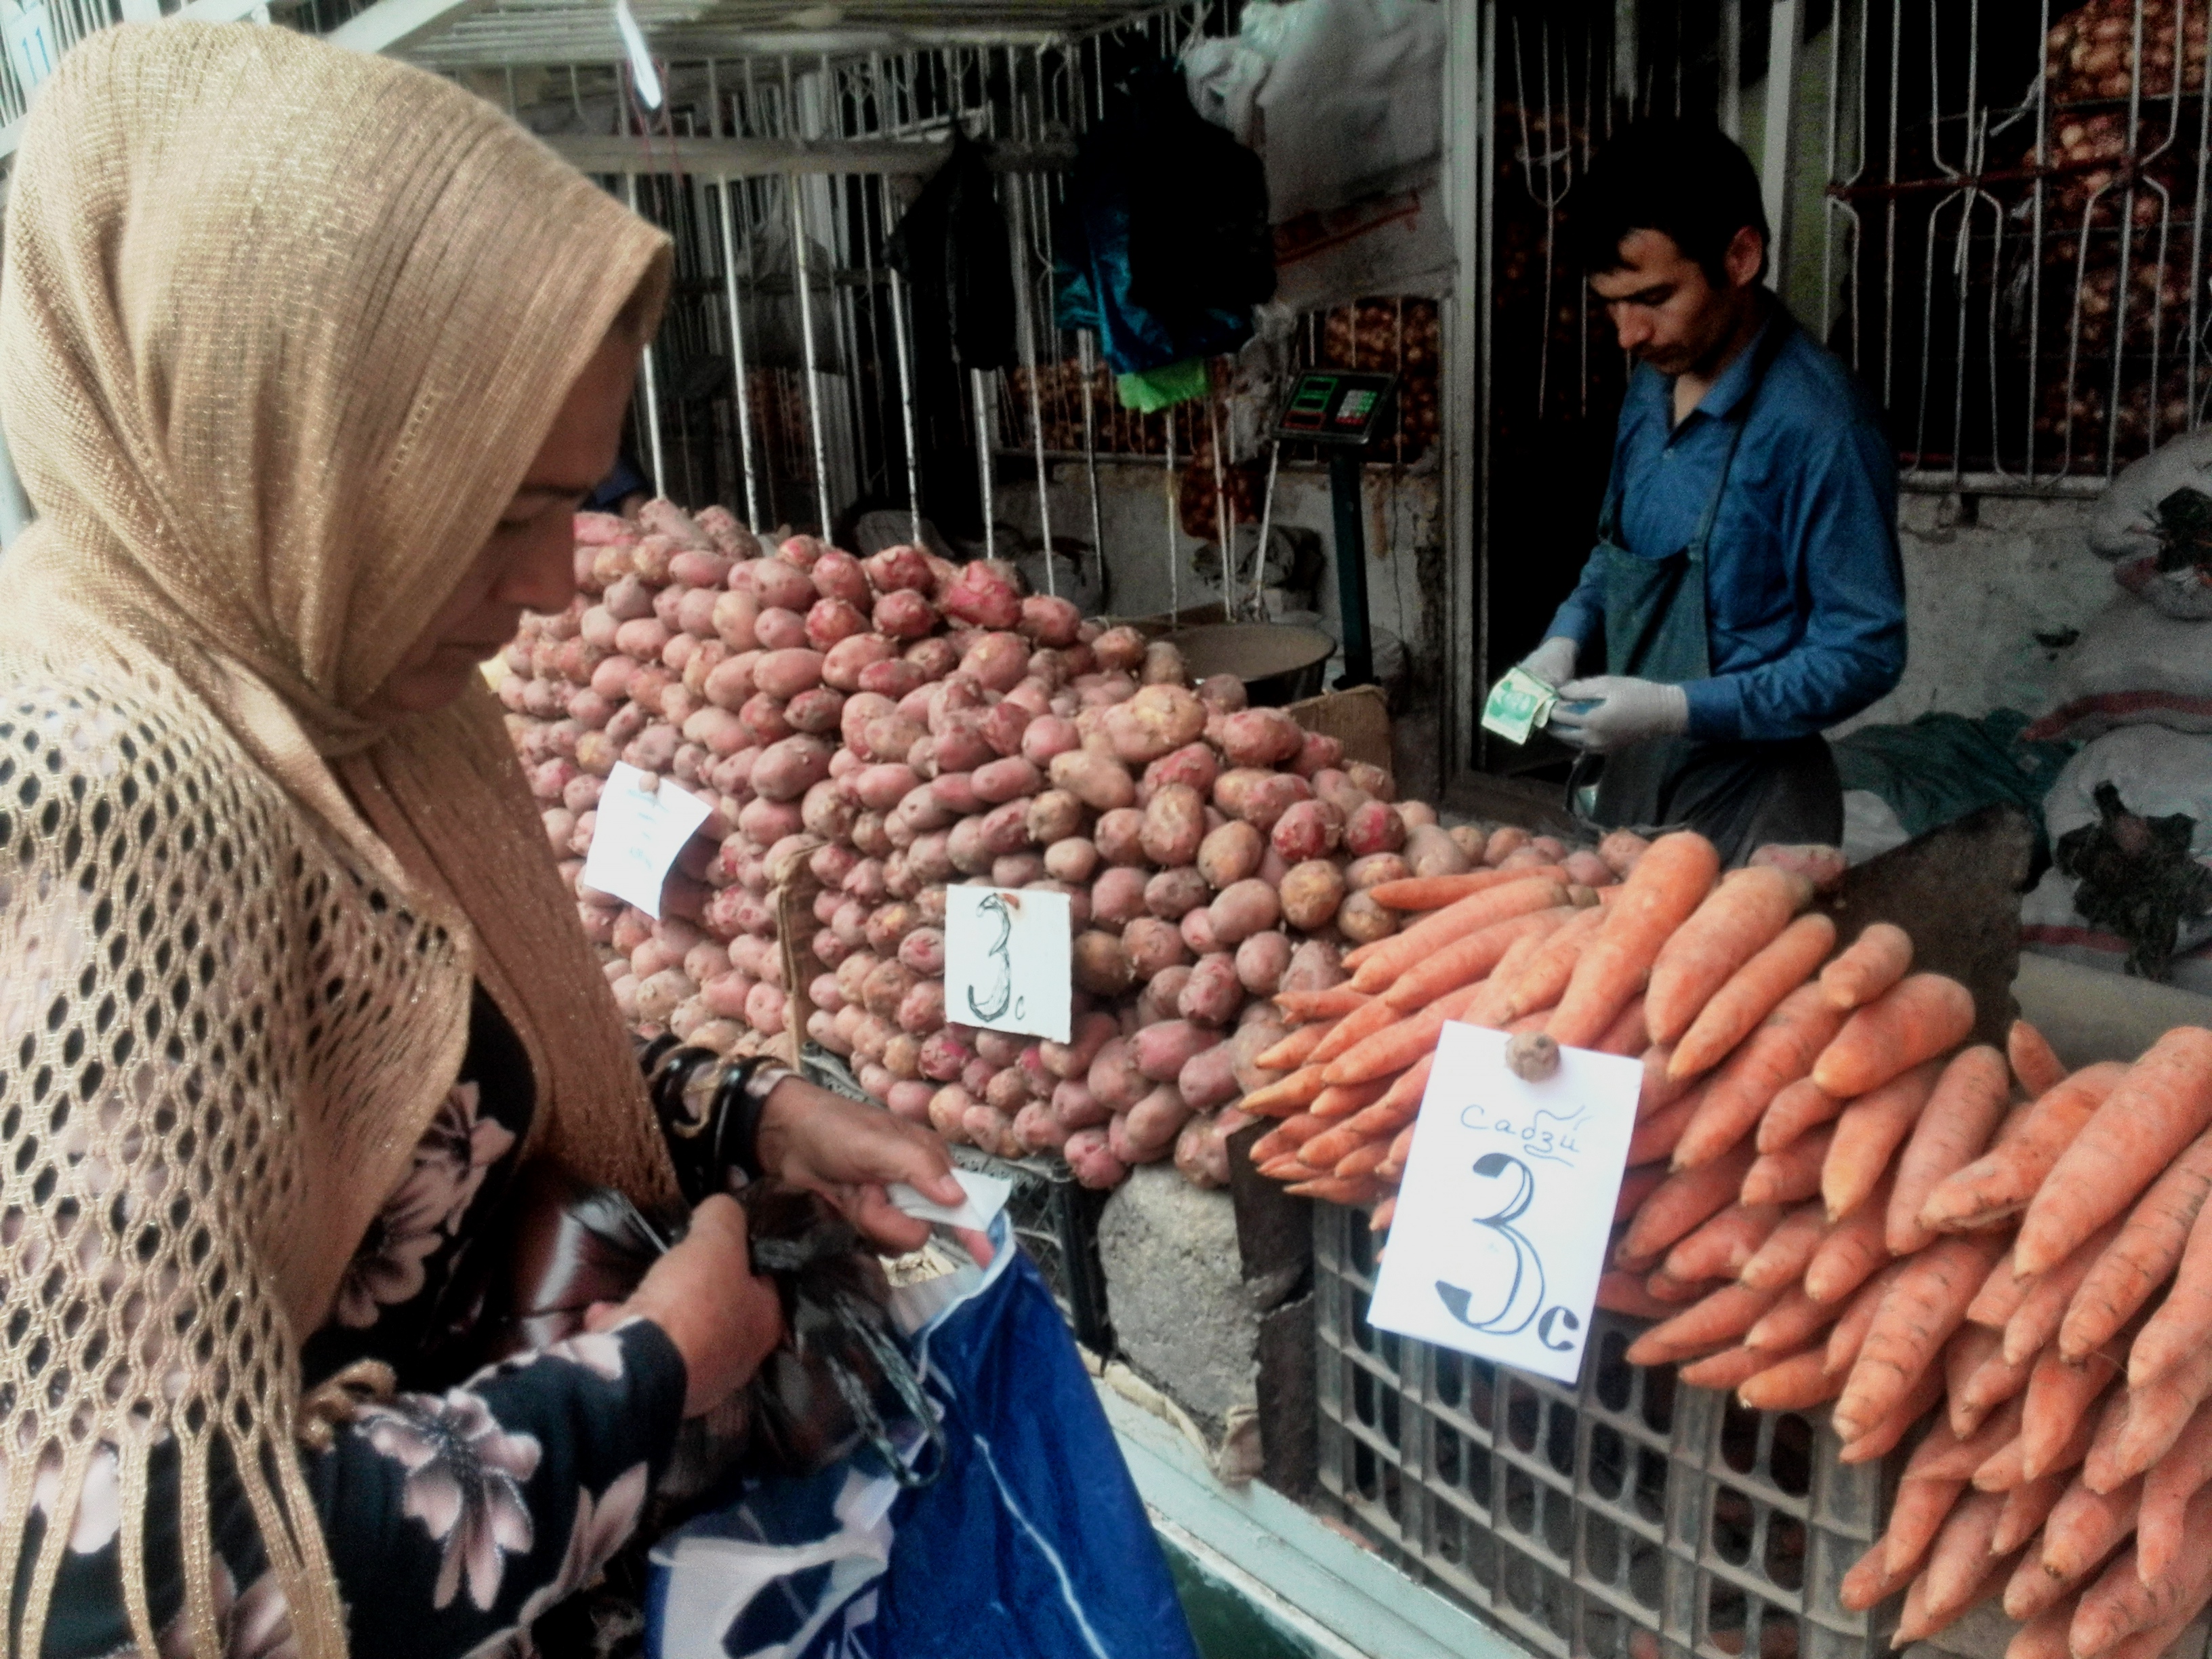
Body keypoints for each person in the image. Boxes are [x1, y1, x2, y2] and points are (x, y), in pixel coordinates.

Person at [0, 24, 967, 1658]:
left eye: (569, 501)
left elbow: (430, 1085)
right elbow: (140, 1607)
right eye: (503, 507)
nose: (556, 584)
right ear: (291, 451)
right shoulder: (115, 803)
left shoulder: (343, 686)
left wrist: (741, 1117)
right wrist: (651, 1369)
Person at [1516, 119, 1906, 865]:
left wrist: (1675, 708)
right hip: (1637, 788)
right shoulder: (1650, 385)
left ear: (1740, 257)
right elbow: (1621, 548)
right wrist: (1564, 638)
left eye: (1654, 297)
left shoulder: (1821, 426)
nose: (1628, 334)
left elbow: (1865, 651)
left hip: (1755, 812)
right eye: (1610, 303)